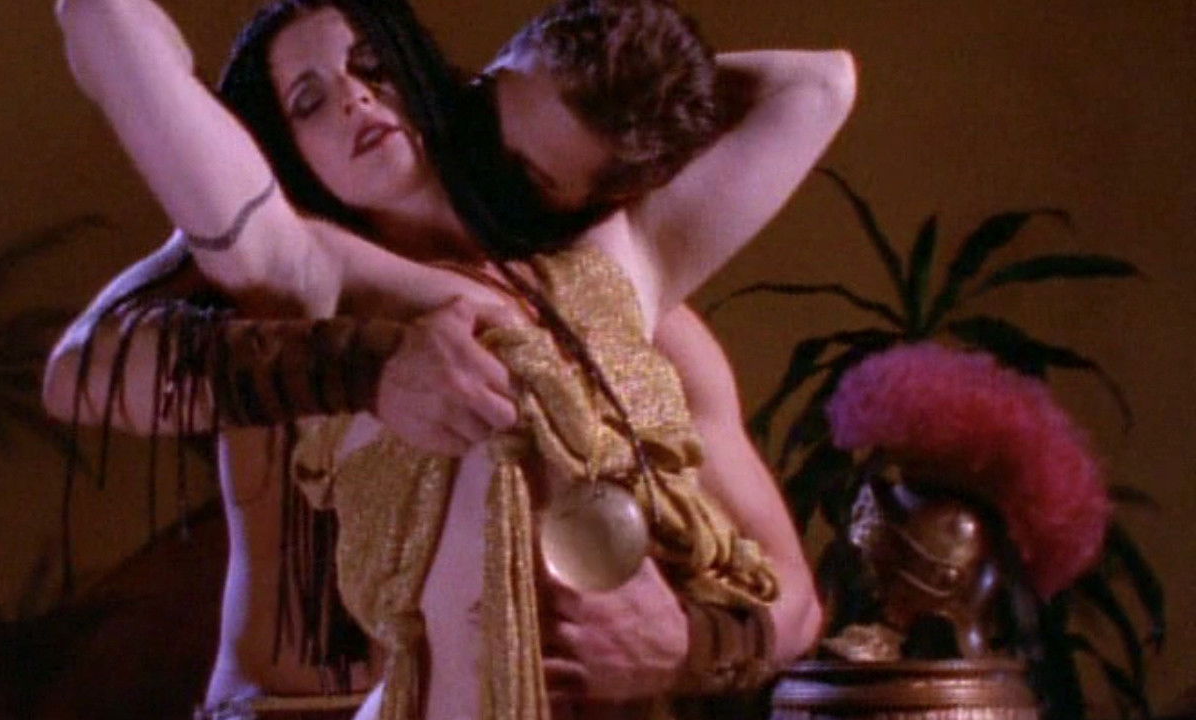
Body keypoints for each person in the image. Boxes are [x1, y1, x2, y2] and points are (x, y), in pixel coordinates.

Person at [45, 0, 853, 716]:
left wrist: (688, 646)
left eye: (375, 66)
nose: (357, 97)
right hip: (310, 706)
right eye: (308, 100)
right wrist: (371, 366)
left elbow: (817, 85)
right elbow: (81, 367)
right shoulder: (293, 273)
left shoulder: (614, 289)